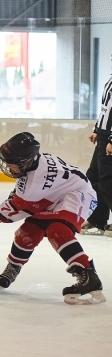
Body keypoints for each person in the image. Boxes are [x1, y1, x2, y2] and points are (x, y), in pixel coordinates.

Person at [0, 132, 104, 305]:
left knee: (58, 230)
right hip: (54, 195)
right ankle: (13, 267)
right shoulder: (35, 163)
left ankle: (88, 276)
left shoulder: (36, 181)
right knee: (27, 232)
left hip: (78, 195)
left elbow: (17, 208)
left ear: (26, 161)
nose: (9, 169)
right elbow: (21, 199)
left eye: (12, 165)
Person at [80, 56, 112, 236]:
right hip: (104, 135)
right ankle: (97, 218)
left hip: (110, 139)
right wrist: (97, 130)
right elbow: (105, 109)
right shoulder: (110, 80)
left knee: (108, 181)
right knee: (93, 177)